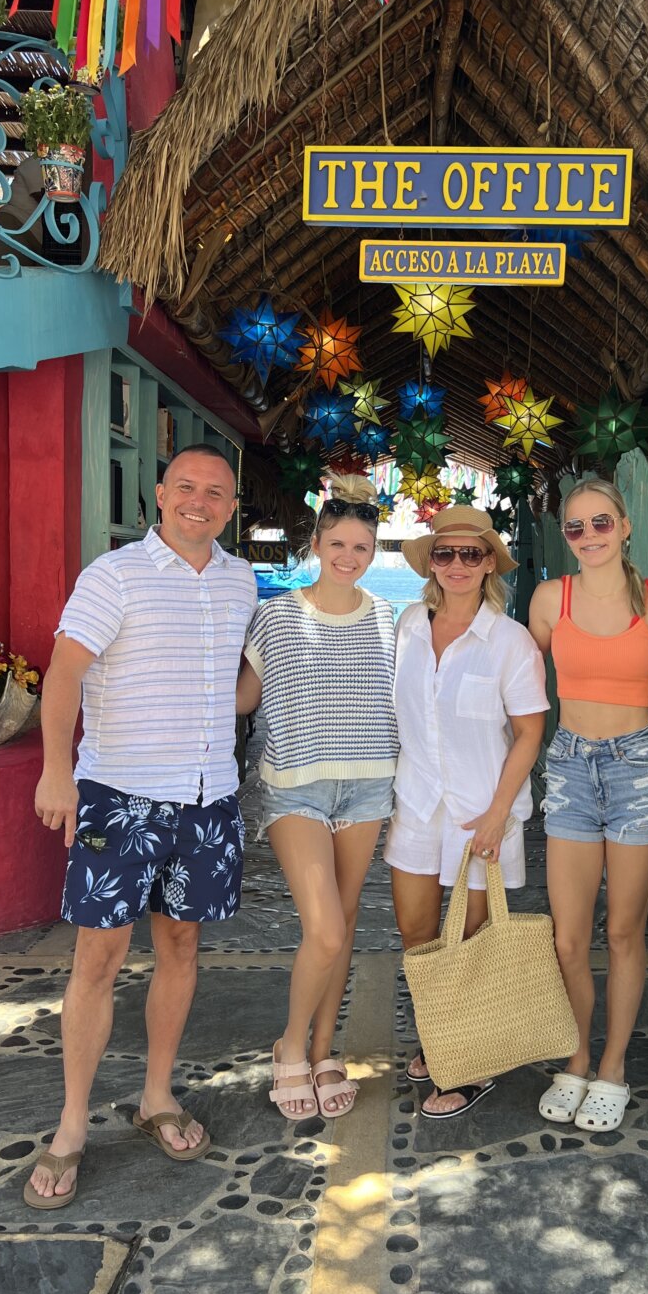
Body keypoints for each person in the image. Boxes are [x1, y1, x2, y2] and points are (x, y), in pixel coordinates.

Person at [26, 444, 255, 1209]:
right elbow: (64, 672)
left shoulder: (240, 578)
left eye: (215, 492)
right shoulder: (113, 575)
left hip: (209, 797)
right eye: (186, 487)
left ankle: (158, 1094)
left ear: (231, 504)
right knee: (98, 956)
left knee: (182, 945)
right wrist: (57, 769)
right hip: (121, 796)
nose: (200, 500)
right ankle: (70, 1126)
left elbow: (236, 681)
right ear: (160, 494)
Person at [237, 474, 397, 1120]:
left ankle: (325, 1047)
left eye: (361, 547)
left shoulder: (388, 617)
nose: (348, 557)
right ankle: (289, 1044)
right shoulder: (274, 617)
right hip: (295, 786)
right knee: (324, 929)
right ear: (317, 541)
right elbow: (241, 699)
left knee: (347, 919)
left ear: (373, 551)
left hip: (369, 785)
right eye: (338, 543)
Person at [385, 506, 549, 1119]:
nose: (457, 565)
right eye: (445, 554)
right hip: (417, 806)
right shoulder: (406, 626)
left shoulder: (510, 642)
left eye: (471, 554)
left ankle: (468, 1064)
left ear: (489, 565)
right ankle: (441, 1039)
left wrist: (498, 813)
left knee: (471, 945)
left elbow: (530, 734)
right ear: (431, 563)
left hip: (483, 813)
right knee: (417, 936)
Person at [528, 478, 648, 1132]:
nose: (588, 536)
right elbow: (522, 682)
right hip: (567, 764)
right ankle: (576, 1055)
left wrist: (636, 715)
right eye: (576, 528)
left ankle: (613, 1064)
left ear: (624, 527)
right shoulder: (547, 598)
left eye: (600, 523)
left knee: (622, 931)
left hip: (637, 766)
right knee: (567, 936)